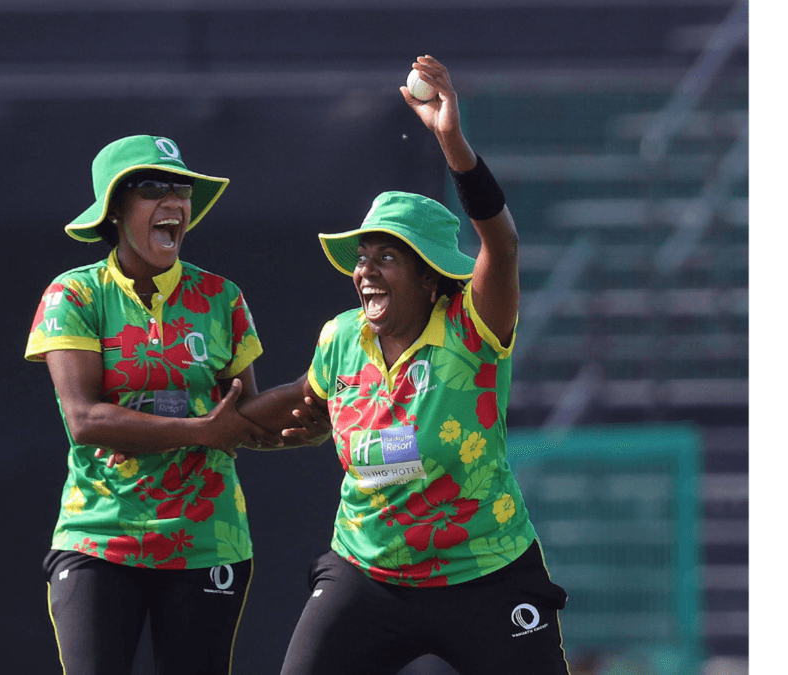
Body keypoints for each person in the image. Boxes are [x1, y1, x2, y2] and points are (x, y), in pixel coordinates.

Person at [238, 56, 572, 674]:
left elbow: (503, 244)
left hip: (484, 571)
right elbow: (303, 405)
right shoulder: (341, 338)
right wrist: (212, 428)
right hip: (369, 573)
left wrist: (451, 140)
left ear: (426, 274)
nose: (364, 270)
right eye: (362, 257)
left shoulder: (472, 330)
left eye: (386, 257)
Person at [23, 134, 293, 675]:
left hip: (207, 541)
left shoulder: (222, 297)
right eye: (151, 189)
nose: (173, 202)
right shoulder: (73, 295)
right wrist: (201, 431)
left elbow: (242, 414)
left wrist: (321, 409)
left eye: (181, 189)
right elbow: (84, 420)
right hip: (99, 535)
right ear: (115, 210)